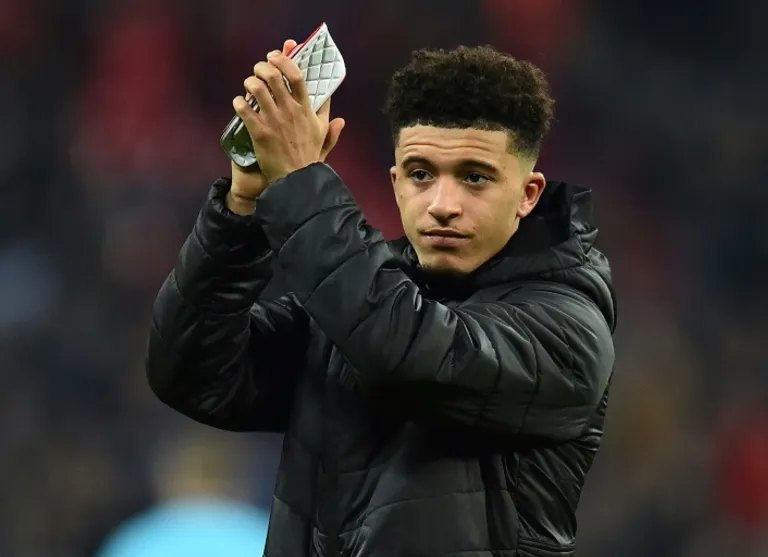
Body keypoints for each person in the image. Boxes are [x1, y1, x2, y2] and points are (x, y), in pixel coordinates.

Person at [146, 39, 617, 557]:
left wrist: (300, 184)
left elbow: (405, 354)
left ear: (528, 194)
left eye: (475, 178)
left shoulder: (568, 328)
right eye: (421, 174)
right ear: (395, 183)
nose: (442, 204)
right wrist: (243, 207)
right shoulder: (356, 299)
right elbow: (192, 372)